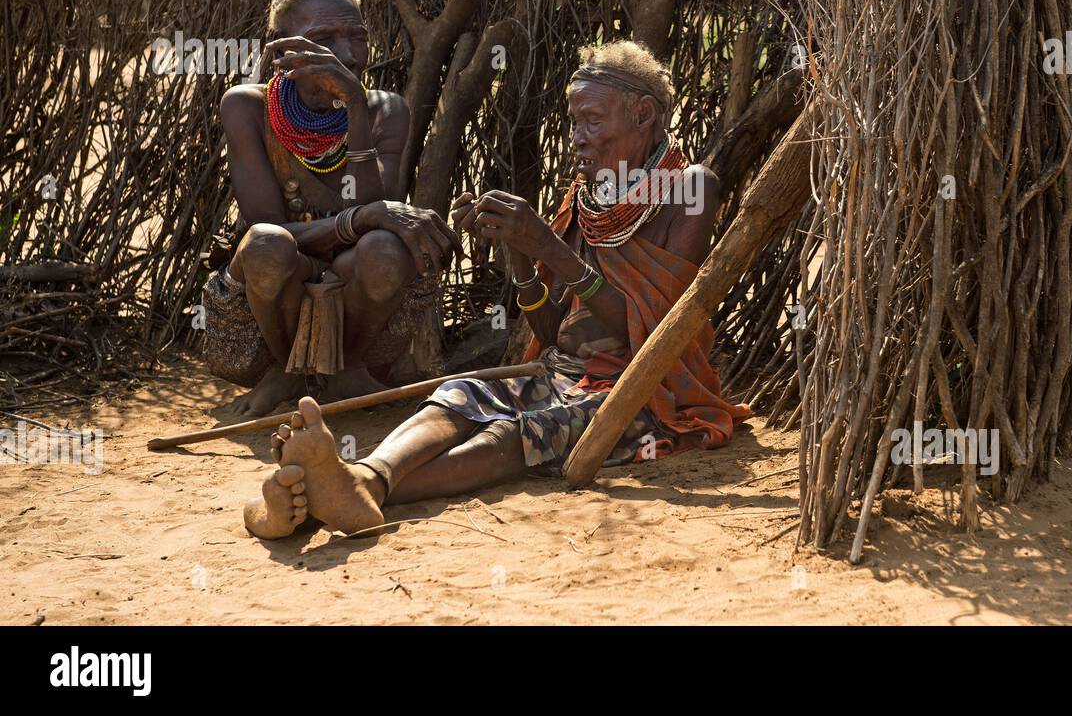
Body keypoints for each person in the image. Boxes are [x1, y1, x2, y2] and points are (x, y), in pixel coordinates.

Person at [244, 40, 750, 538]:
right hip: (564, 373)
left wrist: (548, 246)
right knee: (460, 393)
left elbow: (656, 337)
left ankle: (353, 487)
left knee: (523, 432)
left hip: (645, 394)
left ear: (643, 115)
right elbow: (555, 333)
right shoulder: (587, 195)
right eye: (574, 122)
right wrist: (520, 251)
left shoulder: (691, 189)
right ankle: (356, 481)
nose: (578, 137)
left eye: (593, 121)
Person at [202, 0, 454, 426]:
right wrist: (358, 220)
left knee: (383, 248)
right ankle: (285, 371)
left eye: (356, 36)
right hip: (271, 302)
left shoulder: (385, 111)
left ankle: (348, 370)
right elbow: (273, 226)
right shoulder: (247, 107)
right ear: (281, 51)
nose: (348, 54)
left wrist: (355, 106)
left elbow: (379, 231)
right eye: (326, 39)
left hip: (360, 297)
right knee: (265, 244)